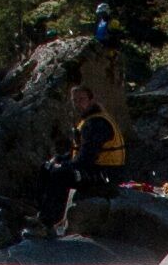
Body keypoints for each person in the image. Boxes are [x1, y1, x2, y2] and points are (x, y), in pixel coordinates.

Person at [41, 80, 124, 222]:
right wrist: (61, 159)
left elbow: (86, 158)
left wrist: (64, 166)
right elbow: (80, 152)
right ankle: (43, 213)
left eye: (82, 100)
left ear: (91, 100)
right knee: (47, 167)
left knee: (59, 175)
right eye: (75, 101)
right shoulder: (89, 120)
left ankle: (47, 222)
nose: (78, 104)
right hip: (96, 169)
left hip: (105, 175)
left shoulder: (96, 123)